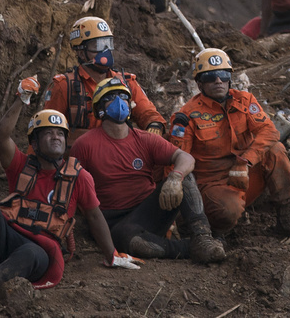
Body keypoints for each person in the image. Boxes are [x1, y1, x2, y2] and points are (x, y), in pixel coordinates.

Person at [0, 79, 138, 301]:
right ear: (35, 143)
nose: (55, 137)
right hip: (7, 237)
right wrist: (22, 99)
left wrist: (112, 255)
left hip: (41, 251)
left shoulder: (79, 177)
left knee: (31, 252)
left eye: (60, 133)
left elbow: (95, 216)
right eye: (47, 133)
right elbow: (1, 136)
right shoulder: (20, 165)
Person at [70, 78, 226, 263]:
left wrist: (175, 179)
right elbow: (70, 184)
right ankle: (189, 248)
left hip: (149, 211)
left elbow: (186, 158)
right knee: (133, 242)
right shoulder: (85, 145)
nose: (120, 101)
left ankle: (203, 238)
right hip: (112, 221)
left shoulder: (145, 139)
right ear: (99, 108)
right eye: (111, 97)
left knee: (184, 177)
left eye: (123, 97)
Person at [169, 48, 290, 244]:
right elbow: (178, 161)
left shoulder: (244, 101)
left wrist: (245, 161)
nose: (218, 81)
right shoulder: (186, 116)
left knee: (275, 150)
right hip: (212, 185)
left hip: (244, 174)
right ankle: (216, 231)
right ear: (199, 83)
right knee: (227, 211)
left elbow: (270, 132)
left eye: (223, 75)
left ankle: (286, 219)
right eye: (211, 77)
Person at [44, 16, 166, 142]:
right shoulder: (64, 86)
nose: (105, 51)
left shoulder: (126, 82)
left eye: (107, 43)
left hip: (120, 153)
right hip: (82, 155)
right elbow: (45, 130)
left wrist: (154, 125)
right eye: (97, 45)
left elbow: (148, 113)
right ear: (81, 52)